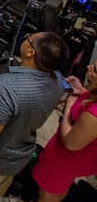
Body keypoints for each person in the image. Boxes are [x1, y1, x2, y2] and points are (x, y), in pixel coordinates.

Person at [0, 30, 68, 200]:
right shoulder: (57, 81)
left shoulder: (4, 89)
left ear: (30, 51)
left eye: (29, 38)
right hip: (14, 158)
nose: (26, 38)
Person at [33, 57, 97, 202]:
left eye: (95, 70)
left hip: (67, 159)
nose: (88, 67)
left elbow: (70, 142)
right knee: (56, 189)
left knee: (48, 193)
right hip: (69, 158)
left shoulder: (94, 116)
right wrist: (81, 90)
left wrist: (69, 105)